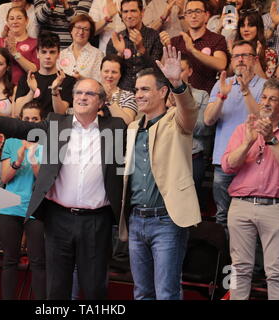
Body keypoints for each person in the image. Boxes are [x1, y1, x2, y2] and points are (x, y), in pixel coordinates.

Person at [0, 77, 127, 300]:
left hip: (97, 220)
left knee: (95, 289)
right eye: (78, 93)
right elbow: (20, 127)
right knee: (56, 289)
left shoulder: (115, 128)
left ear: (101, 102)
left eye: (90, 94)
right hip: (58, 219)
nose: (83, 97)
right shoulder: (57, 124)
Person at [117, 45, 201, 300]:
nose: (138, 94)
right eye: (136, 90)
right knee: (142, 293)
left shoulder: (176, 120)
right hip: (136, 220)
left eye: (145, 89)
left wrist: (178, 84)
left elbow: (190, 110)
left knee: (167, 293)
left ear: (163, 92)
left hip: (166, 220)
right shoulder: (132, 128)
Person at [221, 78, 279, 300]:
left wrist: (270, 139)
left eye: (273, 99)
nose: (266, 102)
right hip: (241, 205)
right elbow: (228, 165)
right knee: (239, 270)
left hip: (276, 208)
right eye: (264, 97)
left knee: (276, 272)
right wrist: (248, 142)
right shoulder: (243, 129)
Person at [204, 40, 266, 226]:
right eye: (236, 56)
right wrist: (222, 96)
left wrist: (245, 90)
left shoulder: (265, 86)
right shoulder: (222, 84)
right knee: (223, 216)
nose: (240, 60)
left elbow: (262, 118)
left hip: (253, 161)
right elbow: (208, 120)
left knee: (252, 218)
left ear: (255, 59)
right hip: (223, 161)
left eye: (245, 55)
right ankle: (226, 256)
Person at [0, 100, 46, 300]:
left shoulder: (47, 143)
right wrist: (18, 159)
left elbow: (44, 180)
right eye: (26, 119)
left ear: (41, 121)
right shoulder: (10, 142)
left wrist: (33, 159)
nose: (29, 122)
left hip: (36, 208)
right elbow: (4, 178)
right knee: (9, 260)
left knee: (38, 262)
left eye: (34, 119)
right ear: (20, 120)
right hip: (9, 207)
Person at [166, 55, 212, 212]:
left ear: (190, 72)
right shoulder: (162, 93)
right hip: (167, 157)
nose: (177, 74)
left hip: (192, 157)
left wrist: (180, 111)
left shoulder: (201, 95)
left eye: (181, 70)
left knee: (190, 207)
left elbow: (205, 128)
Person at [161, 0, 228, 93]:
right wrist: (167, 49)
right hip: (181, 96)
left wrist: (193, 50)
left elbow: (221, 64)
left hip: (207, 96)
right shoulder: (176, 41)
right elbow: (164, 70)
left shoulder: (216, 39)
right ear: (185, 16)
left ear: (206, 15)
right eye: (189, 12)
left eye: (198, 11)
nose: (193, 16)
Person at [15, 31, 76, 118]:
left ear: (58, 54)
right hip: (30, 127)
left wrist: (55, 90)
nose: (48, 56)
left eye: (52, 52)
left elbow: (60, 113)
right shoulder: (27, 78)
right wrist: (31, 92)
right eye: (44, 52)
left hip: (54, 128)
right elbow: (17, 112)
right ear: (37, 53)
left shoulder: (67, 80)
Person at [106, 0, 163, 92]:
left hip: (147, 92)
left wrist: (141, 48)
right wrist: (120, 54)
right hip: (122, 93)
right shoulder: (116, 38)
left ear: (142, 12)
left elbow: (155, 70)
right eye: (125, 12)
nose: (129, 16)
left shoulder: (154, 36)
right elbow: (109, 73)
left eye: (133, 11)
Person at [0, 6, 38, 86]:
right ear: (8, 22)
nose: (15, 21)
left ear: (27, 21)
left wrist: (15, 53)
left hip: (24, 88)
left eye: (19, 18)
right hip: (1, 87)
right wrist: (4, 52)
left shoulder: (35, 43)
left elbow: (34, 69)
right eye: (12, 18)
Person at [57, 14, 104, 82]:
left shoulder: (98, 54)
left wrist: (82, 79)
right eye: (78, 28)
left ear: (90, 33)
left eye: (86, 29)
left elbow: (100, 82)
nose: (81, 32)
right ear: (71, 30)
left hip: (87, 91)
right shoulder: (62, 54)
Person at [99, 54, 137, 124]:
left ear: (120, 74)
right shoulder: (89, 92)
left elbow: (127, 122)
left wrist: (110, 100)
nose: (110, 75)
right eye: (106, 71)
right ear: (100, 71)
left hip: (116, 134)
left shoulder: (128, 96)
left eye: (114, 72)